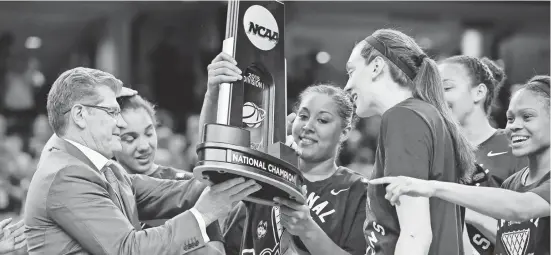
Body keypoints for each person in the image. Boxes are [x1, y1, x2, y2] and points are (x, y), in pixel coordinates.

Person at [24, 67, 261, 255]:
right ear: (79, 115)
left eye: (149, 132)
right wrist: (204, 213)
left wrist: (235, 174)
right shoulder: (67, 175)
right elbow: (128, 249)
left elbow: (170, 192)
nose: (121, 122)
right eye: (112, 112)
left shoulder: (97, 167)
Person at [200, 53, 368, 255]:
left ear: (344, 132)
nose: (308, 126)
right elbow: (213, 157)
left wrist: (308, 231)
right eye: (303, 116)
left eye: (322, 120)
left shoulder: (358, 190)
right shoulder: (267, 171)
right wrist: (214, 93)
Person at [370, 75, 550, 255]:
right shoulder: (512, 183)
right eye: (510, 119)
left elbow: (520, 208)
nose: (514, 126)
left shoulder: (521, 195)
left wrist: (431, 187)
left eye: (527, 117)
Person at [343, 29, 477, 255]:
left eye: (351, 71)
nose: (346, 86)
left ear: (376, 67)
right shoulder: (427, 116)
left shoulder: (403, 117)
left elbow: (416, 234)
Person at [439, 55, 528, 254]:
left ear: (478, 92)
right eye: (433, 91)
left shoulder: (515, 147)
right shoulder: (432, 151)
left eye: (446, 88)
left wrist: (465, 211)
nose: (438, 98)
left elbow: (528, 242)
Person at [114, 94, 225, 254]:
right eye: (130, 139)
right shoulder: (104, 189)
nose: (144, 146)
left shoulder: (189, 187)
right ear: (111, 139)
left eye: (149, 133)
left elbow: (216, 251)